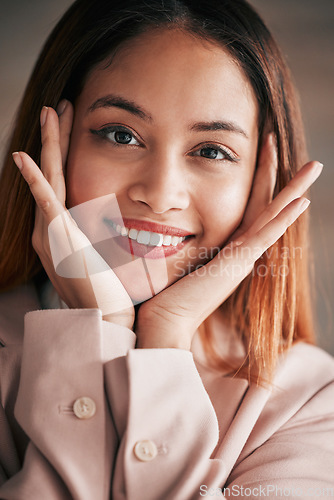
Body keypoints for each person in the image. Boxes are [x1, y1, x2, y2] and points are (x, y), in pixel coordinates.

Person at [0, 0, 333, 498]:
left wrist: (166, 335)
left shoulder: (309, 400)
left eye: (212, 151)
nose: (160, 193)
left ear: (262, 181)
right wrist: (98, 331)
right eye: (121, 135)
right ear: (57, 143)